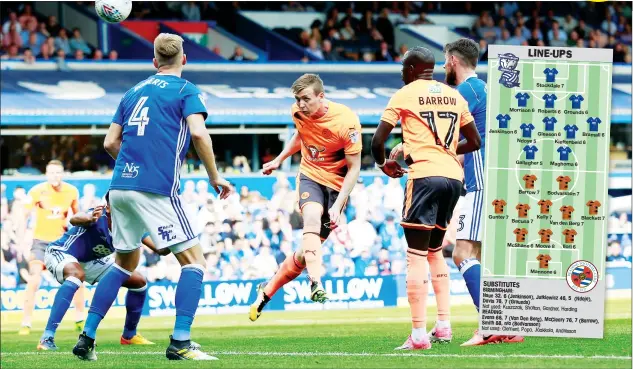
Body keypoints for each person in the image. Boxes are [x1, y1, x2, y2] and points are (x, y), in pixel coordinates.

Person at [72, 33, 233, 361]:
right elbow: (199, 132)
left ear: (154, 62)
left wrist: (132, 167)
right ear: (184, 60)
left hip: (119, 188)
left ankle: (87, 337)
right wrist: (215, 176)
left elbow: (109, 143)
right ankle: (181, 342)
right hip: (157, 189)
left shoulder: (132, 92)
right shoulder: (186, 90)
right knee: (195, 262)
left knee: (122, 264)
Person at [371, 46, 481, 350]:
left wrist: (384, 164)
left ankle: (419, 334)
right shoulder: (454, 95)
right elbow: (474, 141)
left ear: (409, 70)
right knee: (434, 251)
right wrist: (444, 152)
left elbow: (378, 141)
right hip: (453, 180)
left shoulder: (404, 94)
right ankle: (443, 324)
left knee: (416, 255)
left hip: (423, 178)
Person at [249, 73, 362, 320]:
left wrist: (339, 204)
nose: (300, 105)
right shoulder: (298, 112)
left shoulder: (346, 121)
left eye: (306, 99)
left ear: (321, 97)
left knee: (303, 254)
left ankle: (267, 291)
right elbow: (301, 135)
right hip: (310, 175)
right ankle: (316, 283)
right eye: (298, 99)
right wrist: (279, 159)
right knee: (311, 217)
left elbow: (355, 167)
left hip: (337, 186)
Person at [38, 194, 161, 351]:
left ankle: (129, 336)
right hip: (62, 251)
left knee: (138, 281)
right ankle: (47, 337)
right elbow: (75, 218)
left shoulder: (132, 224)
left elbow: (161, 249)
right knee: (77, 275)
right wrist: (90, 219)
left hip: (91, 261)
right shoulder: (98, 214)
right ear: (108, 207)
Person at [19, 160, 85, 336]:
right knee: (34, 279)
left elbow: (77, 215)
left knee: (78, 278)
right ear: (46, 174)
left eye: (58, 172)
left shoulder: (72, 191)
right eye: (51, 173)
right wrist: (22, 241)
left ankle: (79, 319)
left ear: (62, 173)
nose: (55, 176)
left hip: (62, 243)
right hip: (40, 242)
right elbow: (23, 215)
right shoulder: (36, 191)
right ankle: (26, 323)